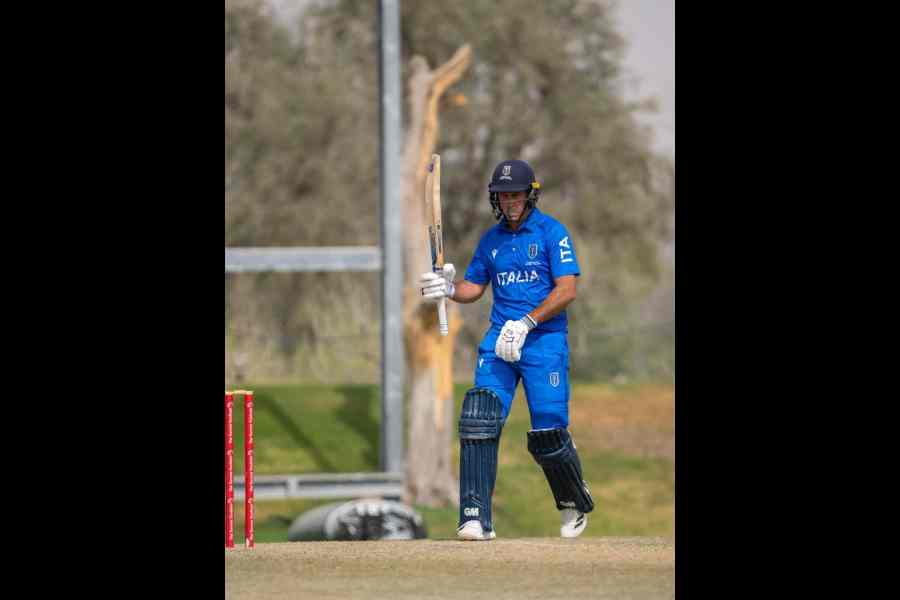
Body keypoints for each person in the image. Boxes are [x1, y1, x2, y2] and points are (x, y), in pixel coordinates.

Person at [420, 159, 594, 541]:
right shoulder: (491, 240)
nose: (509, 201)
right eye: (503, 195)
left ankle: (572, 500)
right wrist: (447, 289)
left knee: (547, 430)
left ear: (530, 194)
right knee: (478, 419)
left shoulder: (552, 232)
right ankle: (474, 515)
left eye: (515, 194)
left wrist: (528, 322)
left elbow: (567, 290)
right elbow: (473, 288)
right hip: (500, 341)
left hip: (543, 340)